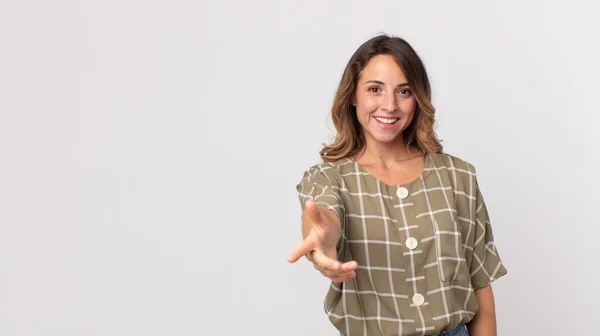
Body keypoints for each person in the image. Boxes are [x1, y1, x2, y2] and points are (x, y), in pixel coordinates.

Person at [287, 34, 507, 336]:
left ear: (418, 98)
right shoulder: (328, 178)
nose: (389, 105)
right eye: (375, 89)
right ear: (353, 95)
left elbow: (480, 286)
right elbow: (322, 217)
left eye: (404, 91)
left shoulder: (458, 177)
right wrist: (321, 238)